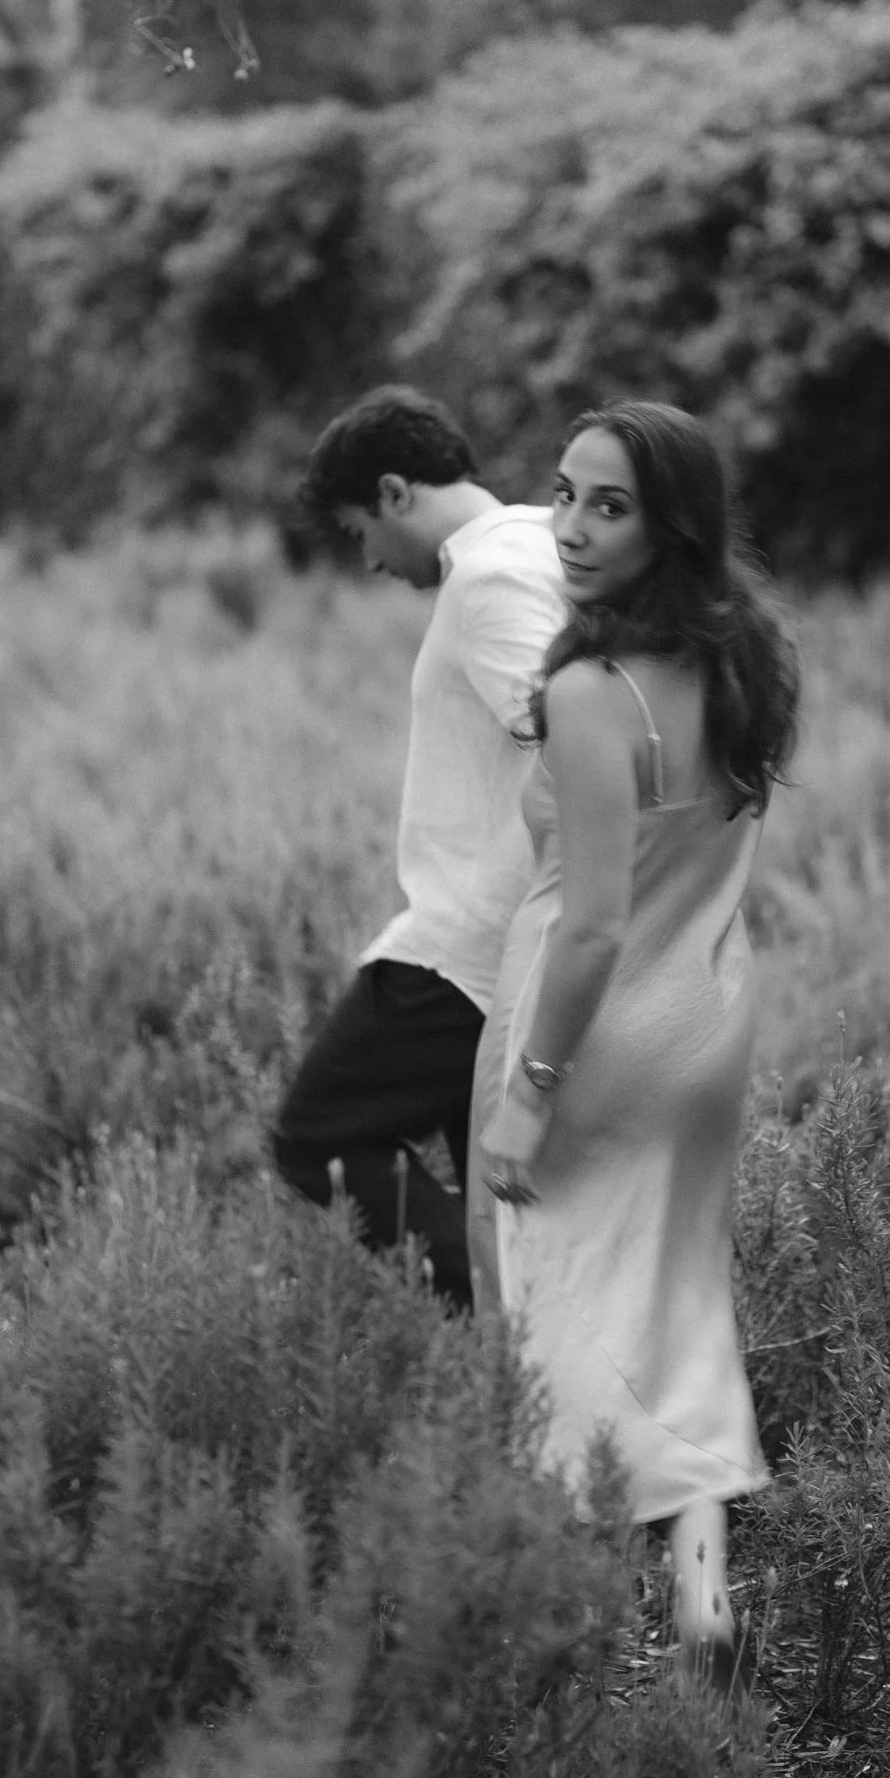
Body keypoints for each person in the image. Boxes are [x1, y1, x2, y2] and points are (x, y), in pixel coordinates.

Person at [471, 400, 800, 1680]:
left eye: (608, 506)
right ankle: (704, 1599)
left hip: (595, 1034)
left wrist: (529, 1093)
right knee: (673, 1298)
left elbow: (593, 927)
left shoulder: (592, 694)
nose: (570, 527)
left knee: (557, 1309)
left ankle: (544, 1622)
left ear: (671, 527)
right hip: (708, 1028)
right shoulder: (743, 660)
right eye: (562, 495)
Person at [272, 385, 565, 1310]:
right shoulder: (536, 545)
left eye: (360, 530)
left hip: (468, 949)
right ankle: (521, 1386)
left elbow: (578, 749)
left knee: (314, 1136)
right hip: (501, 943)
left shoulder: (492, 577)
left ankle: (507, 1325)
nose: (367, 561)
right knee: (496, 1194)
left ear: (396, 492)